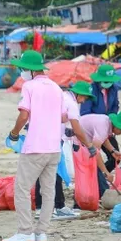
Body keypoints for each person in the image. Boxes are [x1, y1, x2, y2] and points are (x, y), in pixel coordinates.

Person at [3, 51, 69, 241]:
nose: (21, 72)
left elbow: (24, 115)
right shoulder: (56, 88)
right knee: (48, 192)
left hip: (35, 147)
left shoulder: (29, 86)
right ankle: (41, 233)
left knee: (22, 189)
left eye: (23, 68)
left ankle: (25, 232)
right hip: (54, 147)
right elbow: (63, 117)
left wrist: (14, 133)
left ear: (30, 70)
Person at [36, 81, 95, 219]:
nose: (84, 100)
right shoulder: (72, 104)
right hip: (52, 139)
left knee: (42, 171)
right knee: (56, 171)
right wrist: (89, 145)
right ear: (79, 94)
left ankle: (40, 207)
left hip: (40, 134)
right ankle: (59, 206)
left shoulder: (61, 96)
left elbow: (59, 119)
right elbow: (77, 128)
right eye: (84, 97)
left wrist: (69, 133)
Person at [78, 110, 121, 198]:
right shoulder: (103, 126)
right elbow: (95, 153)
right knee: (94, 168)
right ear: (117, 126)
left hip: (86, 140)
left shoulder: (107, 123)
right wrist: (106, 172)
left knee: (96, 171)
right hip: (76, 139)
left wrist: (113, 151)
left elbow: (104, 138)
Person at [82, 64, 121, 170]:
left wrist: (112, 124)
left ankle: (102, 175)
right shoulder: (91, 90)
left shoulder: (114, 89)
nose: (107, 83)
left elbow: (115, 106)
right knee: (93, 154)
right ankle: (98, 177)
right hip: (92, 129)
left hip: (108, 126)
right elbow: (85, 111)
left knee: (115, 157)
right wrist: (97, 124)